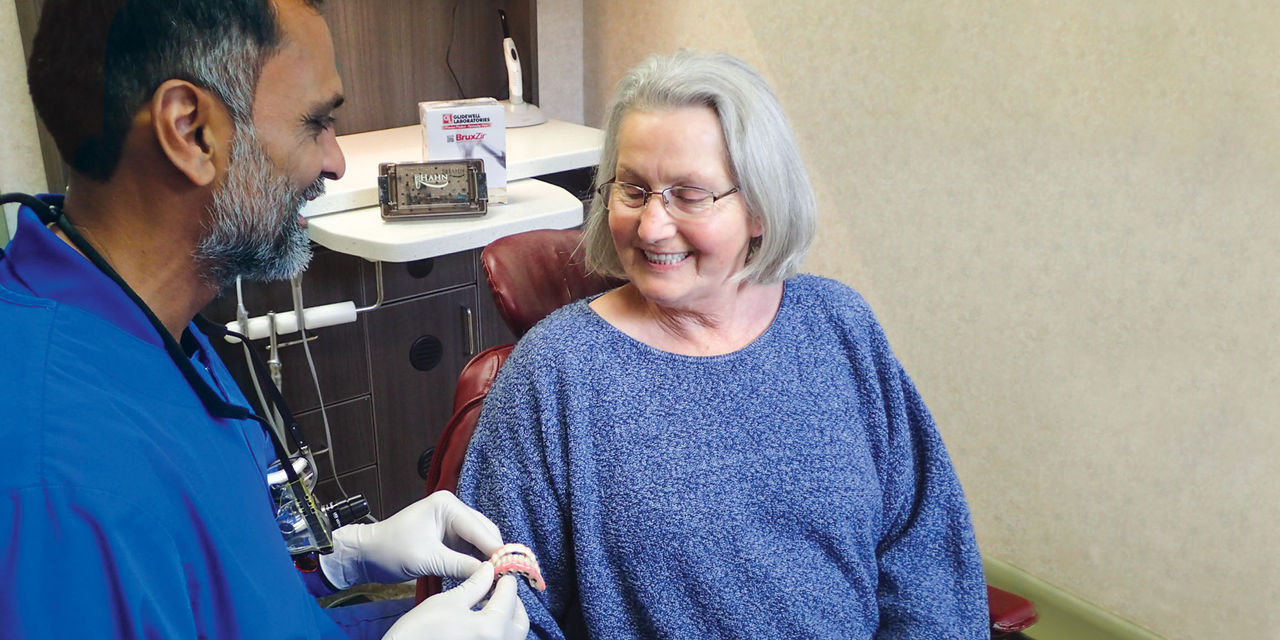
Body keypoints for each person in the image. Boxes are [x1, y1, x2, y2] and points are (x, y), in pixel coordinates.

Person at [0, 1, 527, 638]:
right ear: (191, 131)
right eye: (316, 123)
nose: (335, 161)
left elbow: (209, 587)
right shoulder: (54, 485)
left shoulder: (153, 328)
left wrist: (332, 562)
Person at [454, 51, 989, 639]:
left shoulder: (838, 324)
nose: (652, 226)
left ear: (759, 207)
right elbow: (498, 608)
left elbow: (928, 557)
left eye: (689, 194)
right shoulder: (557, 372)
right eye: (633, 189)